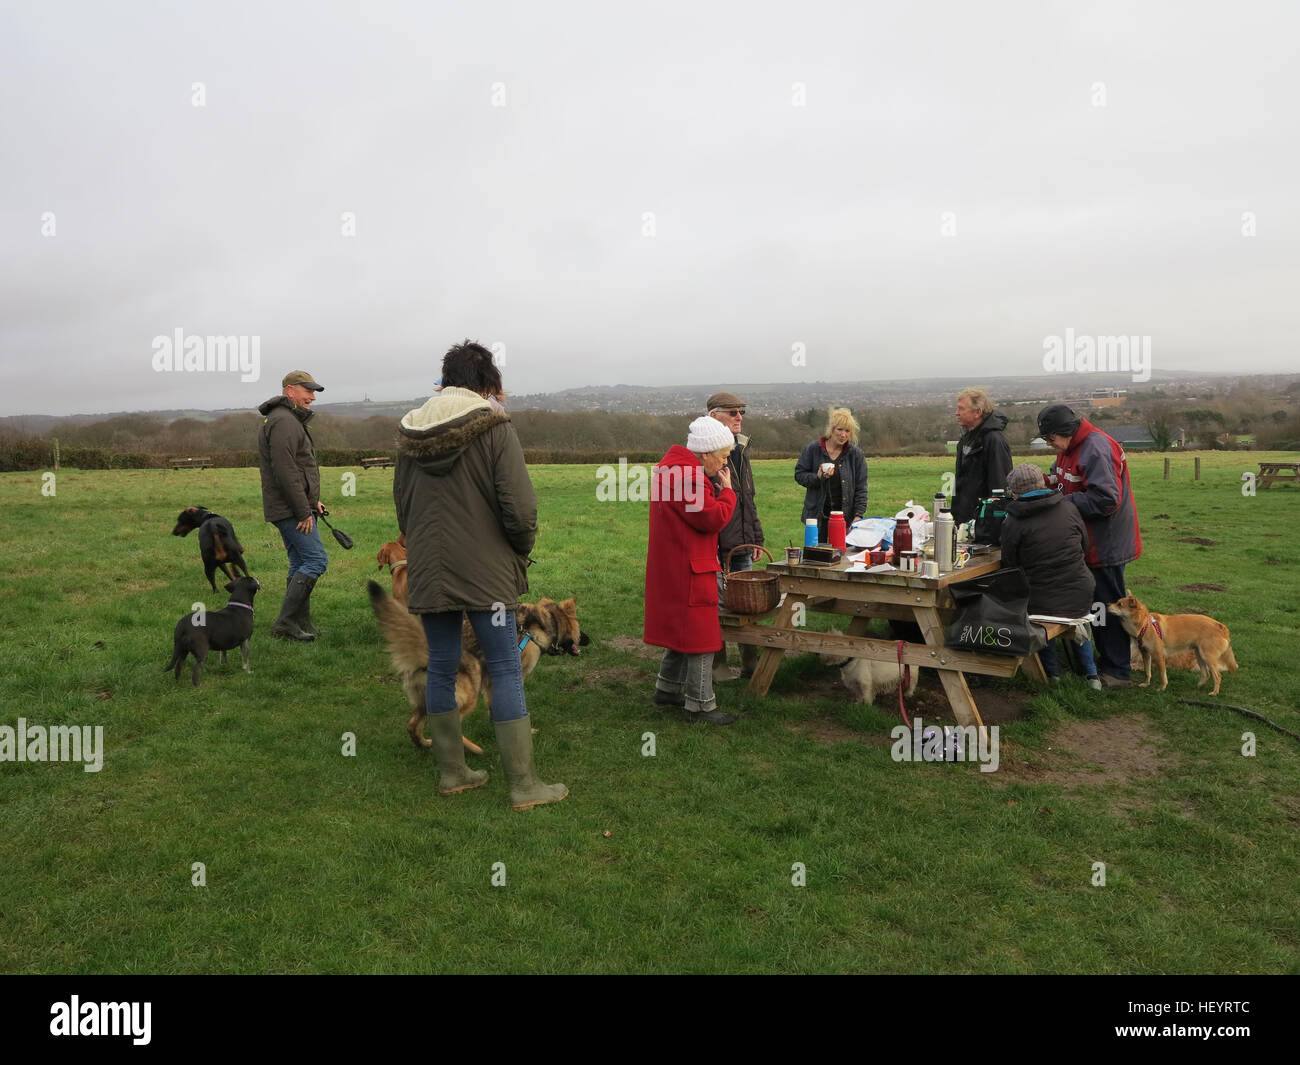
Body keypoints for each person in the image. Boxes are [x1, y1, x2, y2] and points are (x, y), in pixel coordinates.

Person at [394, 340, 566, 810]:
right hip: (487, 573)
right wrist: (520, 549)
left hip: (429, 569)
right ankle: (525, 785)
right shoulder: (496, 428)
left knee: (442, 665)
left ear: (445, 380)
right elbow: (520, 508)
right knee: (506, 666)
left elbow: (403, 508)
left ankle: (453, 773)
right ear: (489, 383)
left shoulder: (409, 433)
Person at [1038, 404, 1142, 690]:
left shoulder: (1096, 448)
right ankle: (1096, 662)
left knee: (1107, 606)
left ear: (1063, 433)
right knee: (1092, 604)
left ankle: (1117, 671)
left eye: (1049, 439)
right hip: (1085, 540)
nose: (1049, 445)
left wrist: (1058, 504)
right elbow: (1061, 480)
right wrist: (1040, 487)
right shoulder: (1069, 448)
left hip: (1105, 542)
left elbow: (1107, 499)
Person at [644, 416, 738, 725]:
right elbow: (710, 519)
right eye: (723, 456)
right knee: (702, 638)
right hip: (692, 569)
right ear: (706, 452)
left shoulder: (668, 471)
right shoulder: (691, 478)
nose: (725, 463)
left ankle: (668, 687)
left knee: (680, 632)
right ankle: (700, 705)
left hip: (671, 567)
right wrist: (727, 492)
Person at [1000, 463, 1101, 690]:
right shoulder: (1069, 509)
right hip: (1080, 592)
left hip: (1039, 600)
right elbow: (1084, 546)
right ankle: (1092, 676)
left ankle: (1051, 675)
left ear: (1014, 492)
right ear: (1043, 483)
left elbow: (1011, 565)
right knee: (1079, 618)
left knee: (1038, 613)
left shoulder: (1013, 521)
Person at [258, 370, 327, 641]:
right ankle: (286, 623)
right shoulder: (284, 422)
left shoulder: (288, 419)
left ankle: (300, 623)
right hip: (289, 509)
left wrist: (312, 502)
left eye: (313, 392)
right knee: (316, 560)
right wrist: (302, 511)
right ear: (290, 391)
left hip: (294, 505)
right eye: (307, 391)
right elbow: (285, 471)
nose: (312, 396)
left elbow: (298, 468)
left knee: (299, 561)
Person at [706, 391, 764, 682]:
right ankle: (717, 668)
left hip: (743, 544)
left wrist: (757, 539)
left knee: (748, 605)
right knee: (716, 610)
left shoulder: (740, 450)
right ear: (714, 416)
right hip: (716, 548)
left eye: (741, 411)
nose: (739, 416)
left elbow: (747, 499)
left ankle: (752, 666)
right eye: (732, 412)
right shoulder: (706, 454)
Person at [795, 408, 868, 542]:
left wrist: (857, 517)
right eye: (840, 429)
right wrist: (817, 478)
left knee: (842, 557)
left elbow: (861, 488)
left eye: (847, 431)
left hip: (845, 520)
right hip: (817, 519)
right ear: (831, 429)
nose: (843, 435)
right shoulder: (813, 449)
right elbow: (799, 475)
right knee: (816, 558)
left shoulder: (855, 454)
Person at [952, 387, 1013, 525]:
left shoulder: (994, 440)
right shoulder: (966, 438)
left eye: (961, 409)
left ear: (978, 412)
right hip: (964, 520)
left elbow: (1000, 486)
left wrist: (990, 523)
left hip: (984, 522)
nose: (957, 413)